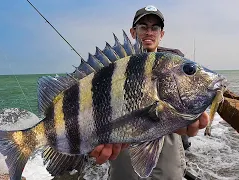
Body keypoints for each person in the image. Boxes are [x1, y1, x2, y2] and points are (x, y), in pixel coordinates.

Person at [89, 5, 209, 179]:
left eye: (155, 28)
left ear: (161, 34)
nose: (149, 32)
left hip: (168, 136)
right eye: (143, 27)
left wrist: (189, 115)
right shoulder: (115, 66)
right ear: (133, 32)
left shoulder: (175, 64)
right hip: (125, 135)